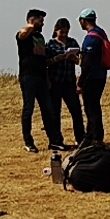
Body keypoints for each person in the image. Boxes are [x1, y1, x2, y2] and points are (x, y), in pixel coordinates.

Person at [16, 8, 66, 153]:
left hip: (41, 78)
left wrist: (46, 77)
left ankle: (54, 141)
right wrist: (31, 25)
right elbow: (23, 33)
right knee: (28, 109)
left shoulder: (40, 37)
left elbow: (42, 59)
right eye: (41, 20)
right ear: (32, 20)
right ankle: (28, 142)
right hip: (28, 77)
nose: (43, 24)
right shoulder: (23, 35)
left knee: (48, 109)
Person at [45, 17, 85, 147]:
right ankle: (56, 140)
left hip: (69, 82)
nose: (64, 35)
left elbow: (81, 61)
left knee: (76, 111)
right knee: (55, 112)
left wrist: (74, 58)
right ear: (56, 31)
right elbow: (45, 63)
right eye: (61, 32)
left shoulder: (73, 42)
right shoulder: (50, 44)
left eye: (66, 32)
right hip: (55, 81)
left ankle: (81, 138)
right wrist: (57, 59)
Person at [78, 8, 110, 145]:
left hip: (92, 77)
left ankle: (96, 138)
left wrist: (80, 82)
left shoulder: (91, 38)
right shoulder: (101, 33)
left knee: (91, 109)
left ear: (83, 21)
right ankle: (90, 135)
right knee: (94, 106)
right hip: (101, 75)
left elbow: (87, 64)